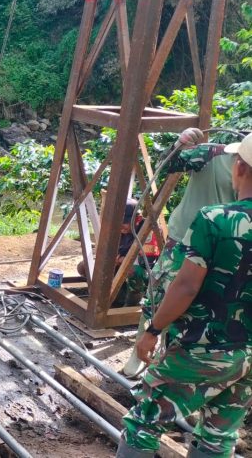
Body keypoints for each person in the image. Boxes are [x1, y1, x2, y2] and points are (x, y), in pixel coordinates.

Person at [115, 133, 252, 458]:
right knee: (219, 435)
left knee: (144, 423)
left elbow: (186, 286)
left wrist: (152, 331)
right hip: (246, 356)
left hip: (201, 348)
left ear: (240, 168)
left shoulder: (215, 219)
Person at [123, 127, 241, 377]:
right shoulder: (212, 154)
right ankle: (140, 351)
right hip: (183, 240)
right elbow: (169, 165)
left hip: (225, 248)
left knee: (200, 305)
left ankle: (173, 361)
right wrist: (180, 143)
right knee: (159, 293)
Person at [77, 199, 160, 308]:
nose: (120, 227)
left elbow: (147, 264)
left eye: (124, 223)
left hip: (144, 274)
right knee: (84, 266)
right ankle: (116, 298)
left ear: (137, 219)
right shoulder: (117, 229)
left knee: (133, 272)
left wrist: (120, 260)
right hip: (120, 264)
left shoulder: (149, 231)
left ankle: (132, 303)